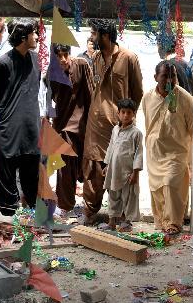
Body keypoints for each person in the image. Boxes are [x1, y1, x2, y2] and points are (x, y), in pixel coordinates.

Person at [83, 19, 144, 223]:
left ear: (105, 35)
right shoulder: (96, 58)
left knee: (122, 171)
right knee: (93, 169)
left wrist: (126, 119)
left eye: (94, 34)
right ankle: (90, 213)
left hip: (119, 127)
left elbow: (137, 92)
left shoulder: (128, 58)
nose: (91, 38)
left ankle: (121, 216)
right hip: (96, 125)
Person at [0, 18, 41, 217]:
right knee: (6, 173)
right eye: (33, 33)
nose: (36, 36)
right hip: (8, 128)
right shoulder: (2, 63)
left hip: (31, 127)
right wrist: (4, 118)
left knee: (32, 172)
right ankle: (9, 216)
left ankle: (32, 212)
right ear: (22, 37)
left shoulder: (37, 60)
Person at [143, 60, 193, 235]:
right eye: (165, 76)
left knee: (171, 184)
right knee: (157, 189)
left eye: (172, 76)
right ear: (156, 77)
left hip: (176, 152)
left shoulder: (186, 99)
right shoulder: (148, 98)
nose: (170, 80)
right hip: (155, 153)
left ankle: (174, 222)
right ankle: (161, 221)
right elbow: (149, 124)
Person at [49, 43, 93, 216]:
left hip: (83, 126)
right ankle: (66, 205)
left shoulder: (81, 65)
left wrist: (92, 124)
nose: (63, 59)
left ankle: (89, 207)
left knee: (87, 167)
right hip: (64, 127)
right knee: (65, 168)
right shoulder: (52, 73)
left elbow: (91, 94)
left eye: (65, 54)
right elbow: (52, 99)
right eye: (59, 56)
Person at [104, 98, 144, 231]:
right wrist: (107, 165)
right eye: (123, 112)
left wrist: (135, 172)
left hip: (128, 173)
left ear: (133, 114)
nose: (126, 115)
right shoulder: (115, 130)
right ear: (118, 114)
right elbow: (111, 148)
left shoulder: (136, 133)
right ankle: (111, 222)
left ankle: (126, 222)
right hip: (114, 171)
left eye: (129, 112)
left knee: (127, 197)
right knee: (113, 196)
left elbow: (138, 153)